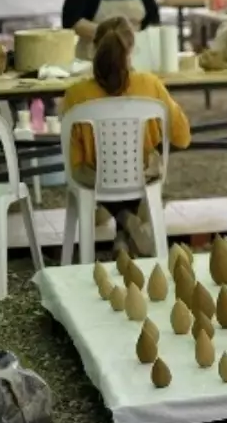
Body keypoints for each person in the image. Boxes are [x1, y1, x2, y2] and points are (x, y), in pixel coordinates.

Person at [61, 17, 192, 257]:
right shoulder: (150, 85)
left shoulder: (75, 94)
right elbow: (182, 137)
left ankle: (123, 225)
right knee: (144, 167)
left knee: (93, 171)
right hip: (138, 174)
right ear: (131, 49)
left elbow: (74, 158)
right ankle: (125, 228)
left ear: (94, 48)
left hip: (95, 177)